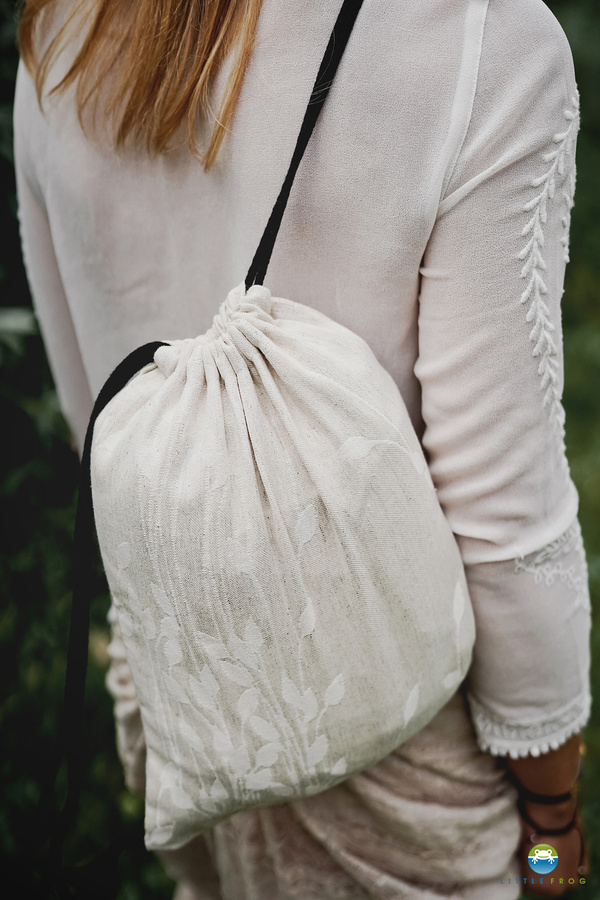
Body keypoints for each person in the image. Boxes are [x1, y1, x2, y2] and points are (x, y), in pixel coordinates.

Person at [13, 0, 592, 897]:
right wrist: (554, 813)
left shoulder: (60, 30)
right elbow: (504, 526)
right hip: (397, 750)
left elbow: (103, 413)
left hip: (187, 709)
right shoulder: (482, 39)